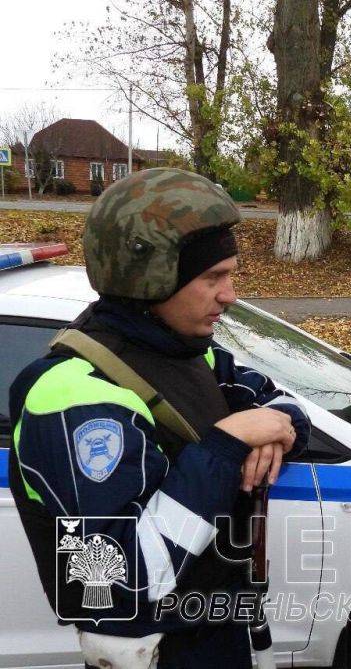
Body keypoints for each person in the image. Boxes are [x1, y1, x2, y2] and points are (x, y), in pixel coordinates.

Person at [7, 168, 312, 668]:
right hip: (156, 650)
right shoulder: (76, 397)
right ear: (150, 278)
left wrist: (274, 427)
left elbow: (282, 407)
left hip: (220, 628)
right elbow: (122, 578)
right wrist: (227, 443)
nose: (230, 294)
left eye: (231, 274)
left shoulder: (190, 355)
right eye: (213, 278)